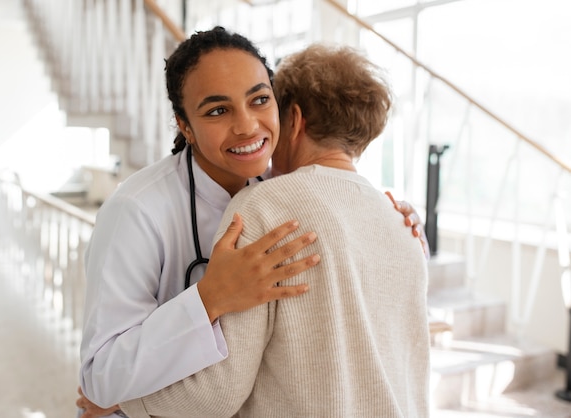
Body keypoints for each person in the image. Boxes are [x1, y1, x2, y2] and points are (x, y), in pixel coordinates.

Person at [77, 28, 428, 418]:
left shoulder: (279, 192)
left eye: (260, 100)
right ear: (185, 125)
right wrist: (211, 297)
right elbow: (100, 377)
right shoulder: (136, 210)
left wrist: (405, 218)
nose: (246, 126)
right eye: (217, 110)